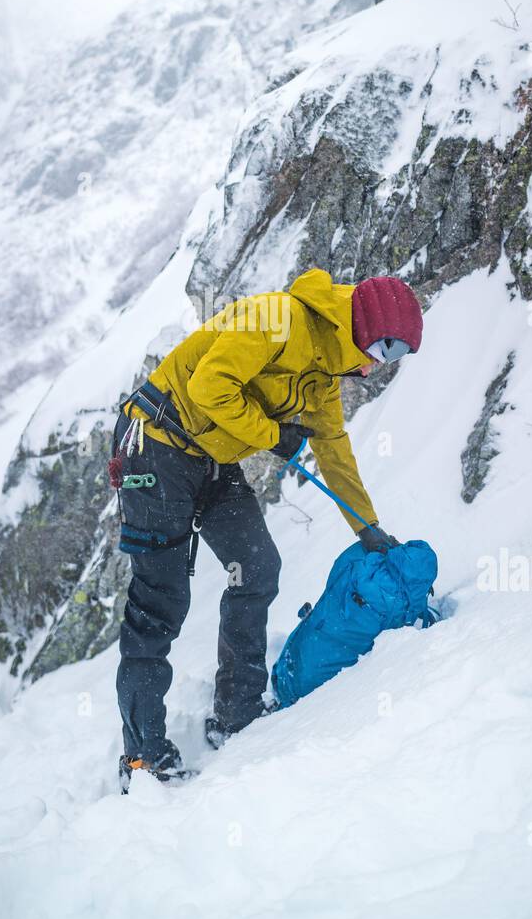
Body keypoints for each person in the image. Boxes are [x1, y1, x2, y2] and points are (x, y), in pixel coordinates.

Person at [111, 266, 423, 789]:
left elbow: (334, 452)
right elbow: (210, 386)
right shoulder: (277, 320)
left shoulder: (325, 374)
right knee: (159, 603)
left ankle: (236, 711)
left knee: (254, 567)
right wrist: (272, 433)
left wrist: (369, 530)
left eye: (400, 357)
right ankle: (142, 755)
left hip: (211, 457)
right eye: (388, 352)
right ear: (364, 336)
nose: (387, 366)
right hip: (156, 445)